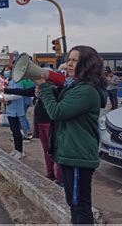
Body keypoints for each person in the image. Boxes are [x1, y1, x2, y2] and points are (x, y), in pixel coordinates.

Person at [33, 45, 107, 224]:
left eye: (74, 60)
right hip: (72, 155)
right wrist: (46, 92)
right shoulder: (77, 87)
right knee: (74, 204)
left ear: (86, 64)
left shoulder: (86, 91)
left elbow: (57, 113)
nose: (69, 64)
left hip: (77, 157)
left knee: (80, 207)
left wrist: (44, 88)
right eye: (69, 60)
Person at [0, 65, 26, 159]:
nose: (6, 71)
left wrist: (6, 97)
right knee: (13, 131)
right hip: (10, 109)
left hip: (16, 109)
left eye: (8, 70)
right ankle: (16, 149)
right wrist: (2, 96)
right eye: (5, 70)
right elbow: (6, 92)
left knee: (17, 131)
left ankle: (20, 151)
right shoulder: (7, 81)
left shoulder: (17, 81)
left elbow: (19, 94)